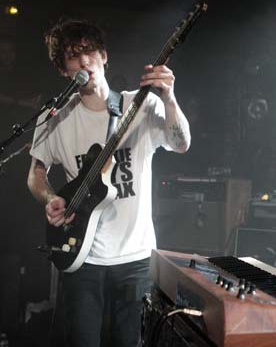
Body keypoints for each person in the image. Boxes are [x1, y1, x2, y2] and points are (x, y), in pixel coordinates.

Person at [27, 19, 191, 347]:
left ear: (104, 56)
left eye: (89, 51)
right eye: (73, 56)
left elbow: (181, 142)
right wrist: (49, 199)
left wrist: (170, 98)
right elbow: (36, 173)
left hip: (136, 258)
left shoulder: (140, 104)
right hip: (81, 257)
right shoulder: (54, 118)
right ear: (64, 70)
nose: (83, 60)